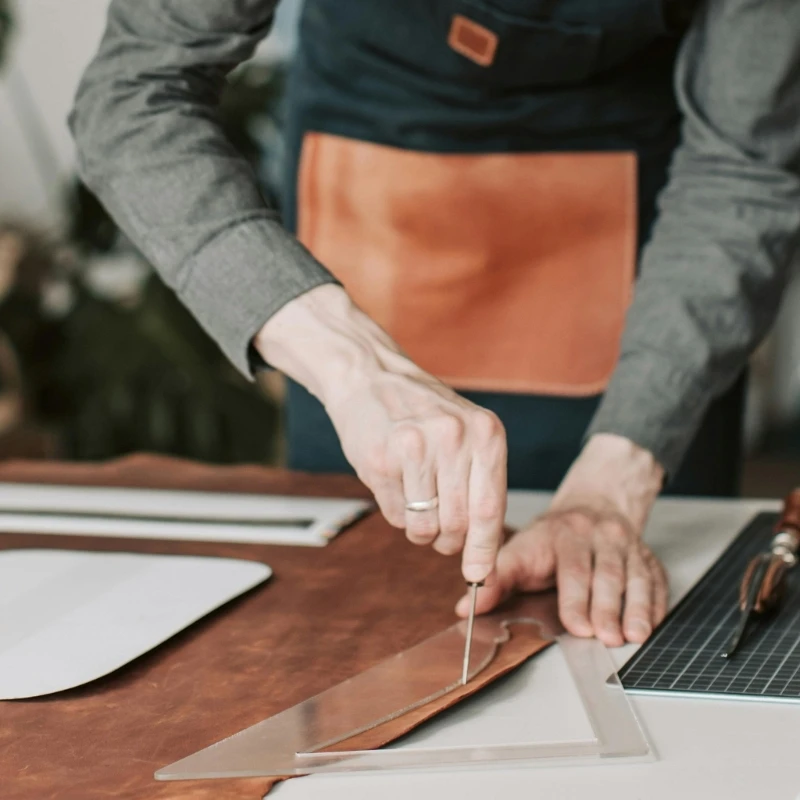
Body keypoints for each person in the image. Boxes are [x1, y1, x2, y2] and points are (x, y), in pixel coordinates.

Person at [70, 0, 800, 648]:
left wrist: (614, 485)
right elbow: (134, 93)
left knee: (625, 621)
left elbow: (744, 169)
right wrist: (354, 363)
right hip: (374, 180)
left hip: (649, 221)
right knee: (368, 614)